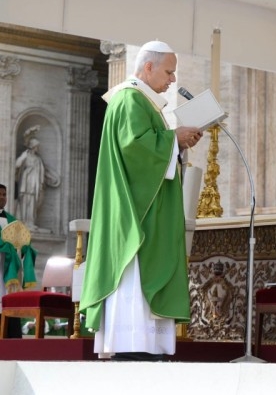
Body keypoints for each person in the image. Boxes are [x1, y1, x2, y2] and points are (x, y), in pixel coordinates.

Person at [80, 40, 203, 361]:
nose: (172, 79)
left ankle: (149, 346)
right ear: (148, 67)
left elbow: (149, 146)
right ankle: (132, 345)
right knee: (134, 275)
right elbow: (135, 149)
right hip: (135, 212)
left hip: (146, 206)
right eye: (169, 72)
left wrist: (177, 143)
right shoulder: (129, 98)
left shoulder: (144, 102)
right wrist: (173, 139)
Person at [1, 182, 37, 338]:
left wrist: (24, 248)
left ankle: (12, 338)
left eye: (4, 194)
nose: (2, 197)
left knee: (9, 303)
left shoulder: (12, 221)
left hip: (9, 270)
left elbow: (21, 242)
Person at [14, 138, 46, 230]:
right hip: (26, 180)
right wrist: (23, 156)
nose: (38, 148)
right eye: (37, 146)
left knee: (32, 202)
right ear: (33, 146)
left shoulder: (38, 159)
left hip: (34, 181)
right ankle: (22, 221)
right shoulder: (25, 156)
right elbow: (17, 165)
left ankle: (30, 222)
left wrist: (41, 183)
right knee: (24, 201)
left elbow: (42, 172)